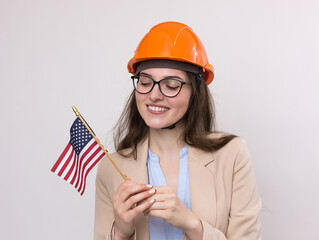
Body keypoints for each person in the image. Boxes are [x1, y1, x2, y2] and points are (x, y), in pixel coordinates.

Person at [94, 21, 262, 240]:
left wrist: (192, 224)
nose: (154, 95)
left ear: (196, 92)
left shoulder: (232, 155)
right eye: (145, 82)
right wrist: (121, 232)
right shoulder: (110, 168)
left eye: (171, 85)